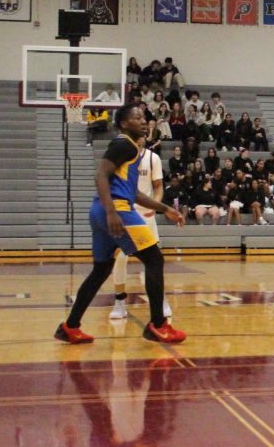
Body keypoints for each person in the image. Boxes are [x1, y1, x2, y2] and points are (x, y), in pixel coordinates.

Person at [54, 104, 187, 345]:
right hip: (116, 210)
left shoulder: (131, 150)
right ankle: (158, 325)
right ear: (124, 124)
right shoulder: (123, 143)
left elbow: (133, 193)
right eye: (137, 118)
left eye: (144, 117)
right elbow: (100, 175)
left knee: (101, 270)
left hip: (103, 211)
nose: (144, 121)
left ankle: (70, 326)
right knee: (154, 259)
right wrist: (112, 211)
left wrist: (165, 208)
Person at [108, 138, 172, 321]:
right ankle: (119, 302)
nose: (139, 137)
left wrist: (156, 204)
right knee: (120, 258)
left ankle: (161, 300)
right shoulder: (120, 158)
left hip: (146, 216)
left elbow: (158, 186)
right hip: (124, 213)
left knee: (154, 261)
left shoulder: (153, 158)